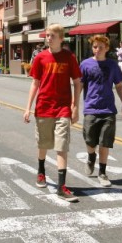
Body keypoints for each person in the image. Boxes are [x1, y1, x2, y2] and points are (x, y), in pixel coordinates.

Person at [23, 23, 82, 203]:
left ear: (61, 38)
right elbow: (35, 83)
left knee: (61, 145)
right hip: (44, 107)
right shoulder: (40, 58)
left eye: (52, 36)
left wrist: (75, 106)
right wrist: (28, 107)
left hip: (63, 108)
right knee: (43, 143)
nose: (48, 38)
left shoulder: (69, 57)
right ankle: (41, 171)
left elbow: (78, 82)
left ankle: (62, 186)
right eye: (47, 35)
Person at [79, 35, 122, 188]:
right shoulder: (85, 64)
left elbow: (119, 86)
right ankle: (90, 156)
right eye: (95, 47)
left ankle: (102, 172)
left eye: (101, 47)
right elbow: (79, 86)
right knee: (89, 140)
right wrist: (73, 105)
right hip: (91, 108)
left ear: (107, 48)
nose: (98, 50)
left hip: (108, 109)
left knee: (104, 142)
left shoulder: (112, 65)